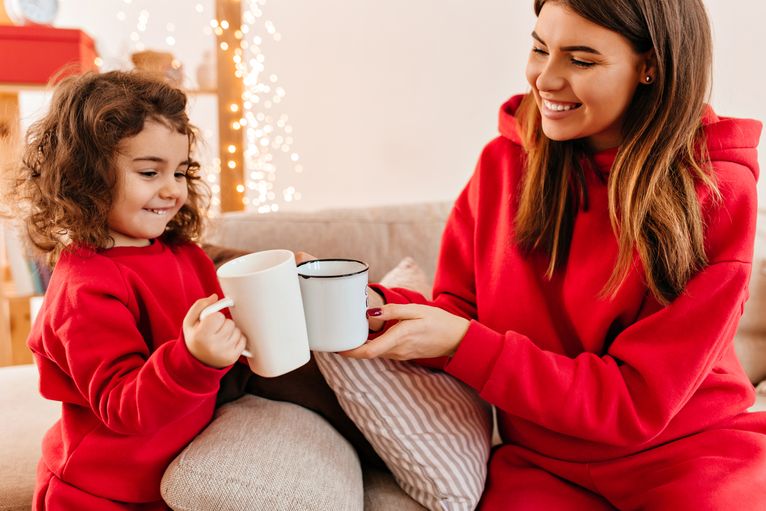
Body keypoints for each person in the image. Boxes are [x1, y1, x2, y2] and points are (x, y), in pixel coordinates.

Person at [346, 0, 766, 508]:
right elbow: (461, 316)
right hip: (541, 463)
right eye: (540, 48)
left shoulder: (715, 193)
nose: (545, 78)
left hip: (689, 454)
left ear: (651, 67)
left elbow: (635, 403)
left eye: (581, 60)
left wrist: (465, 343)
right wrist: (373, 306)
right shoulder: (503, 163)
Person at [14, 71, 248, 510]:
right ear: (85, 178)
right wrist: (195, 359)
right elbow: (123, 405)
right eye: (148, 171)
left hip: (169, 475)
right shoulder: (84, 288)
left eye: (179, 172)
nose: (171, 189)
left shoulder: (183, 254)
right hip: (101, 492)